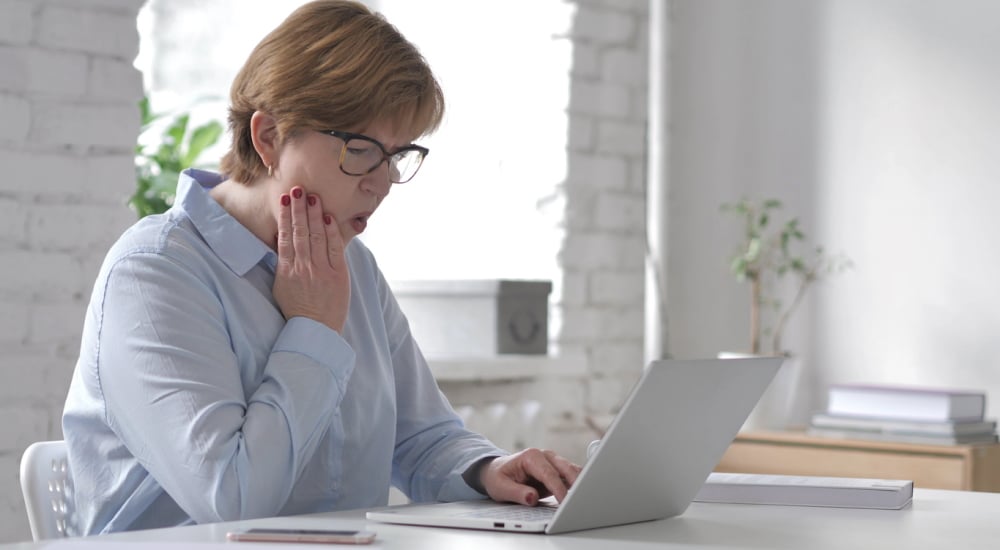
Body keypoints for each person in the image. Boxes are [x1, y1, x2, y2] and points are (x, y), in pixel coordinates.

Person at [62, 0, 581, 535]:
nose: (380, 184)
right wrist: (312, 326)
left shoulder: (352, 263)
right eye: (361, 150)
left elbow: (421, 436)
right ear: (268, 137)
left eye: (397, 156)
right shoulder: (153, 273)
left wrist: (487, 469)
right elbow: (235, 498)